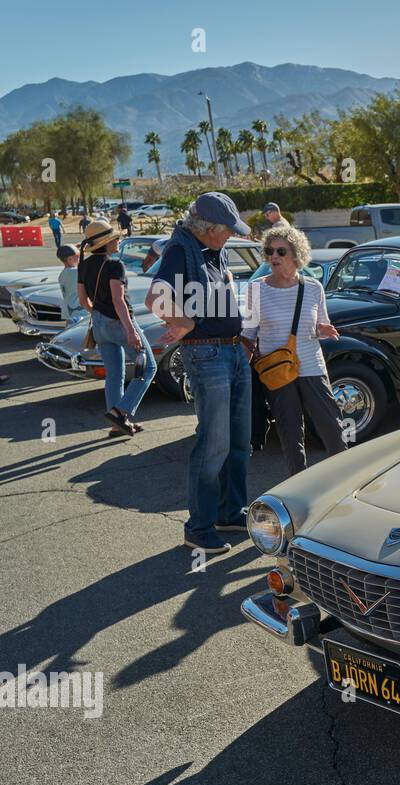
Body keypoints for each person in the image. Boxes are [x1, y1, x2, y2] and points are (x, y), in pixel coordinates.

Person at [145, 192, 252, 557]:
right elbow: (155, 297)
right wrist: (185, 322)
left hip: (231, 349)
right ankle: (199, 528)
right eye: (228, 230)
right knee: (214, 443)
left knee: (239, 439)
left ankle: (229, 511)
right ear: (208, 228)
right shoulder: (180, 249)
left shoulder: (211, 249)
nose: (232, 236)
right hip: (208, 353)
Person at [242, 223, 347, 475]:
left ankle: (345, 479)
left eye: (280, 251)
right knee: (290, 433)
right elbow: (248, 335)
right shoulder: (256, 289)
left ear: (296, 254)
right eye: (269, 251)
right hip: (276, 372)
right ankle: (298, 484)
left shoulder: (313, 287)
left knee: (332, 428)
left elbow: (320, 324)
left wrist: (325, 329)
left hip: (311, 366)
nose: (273, 257)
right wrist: (239, 372)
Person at [78, 220, 157, 436]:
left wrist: (98, 314)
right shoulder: (114, 265)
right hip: (120, 324)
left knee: (114, 374)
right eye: (116, 238)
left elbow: (83, 300)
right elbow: (118, 300)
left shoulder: (83, 265)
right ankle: (120, 412)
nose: (119, 240)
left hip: (99, 325)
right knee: (148, 368)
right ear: (108, 242)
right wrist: (131, 331)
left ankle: (117, 424)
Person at [56, 244, 79, 323]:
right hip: (77, 310)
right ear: (70, 259)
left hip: (68, 310)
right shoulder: (75, 272)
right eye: (78, 257)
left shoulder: (62, 274)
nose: (80, 259)